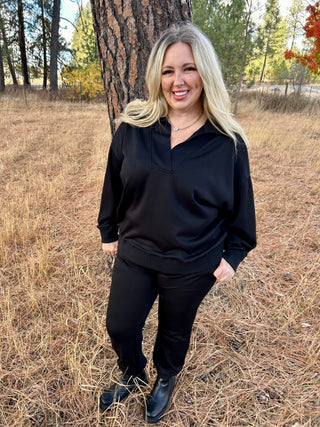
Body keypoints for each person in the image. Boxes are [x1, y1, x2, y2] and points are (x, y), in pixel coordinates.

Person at [97, 23, 256, 424]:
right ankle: (133, 375)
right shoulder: (132, 128)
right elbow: (113, 183)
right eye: (168, 71)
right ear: (157, 76)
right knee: (119, 325)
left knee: (174, 330)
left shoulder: (228, 143)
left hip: (192, 262)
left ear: (205, 73)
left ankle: (165, 377)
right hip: (136, 253)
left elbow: (242, 210)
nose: (178, 81)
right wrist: (108, 232)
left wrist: (233, 256)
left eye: (189, 69)